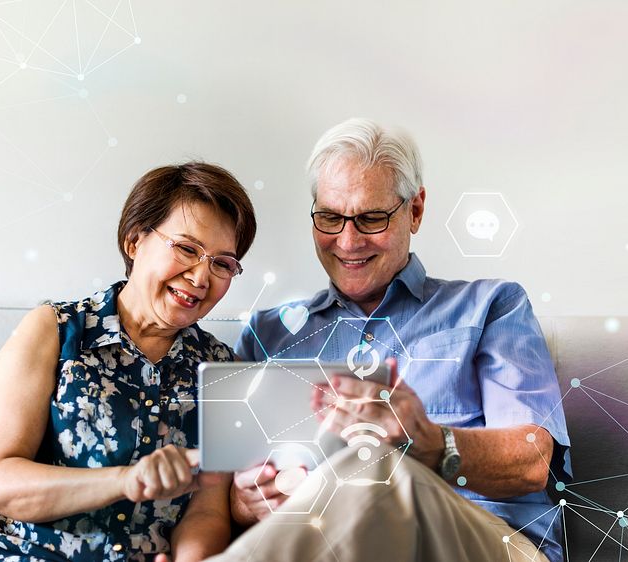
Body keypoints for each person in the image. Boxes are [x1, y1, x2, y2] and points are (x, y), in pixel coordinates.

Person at [221, 119, 570, 562]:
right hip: (323, 545)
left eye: (370, 218)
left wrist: (430, 443)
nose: (347, 242)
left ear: (416, 210)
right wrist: (245, 505)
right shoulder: (265, 337)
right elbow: (230, 491)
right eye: (330, 217)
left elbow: (531, 460)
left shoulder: (490, 307)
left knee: (377, 469)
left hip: (485, 543)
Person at [0, 162, 258, 562]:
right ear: (134, 241)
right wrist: (126, 480)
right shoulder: (53, 330)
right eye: (188, 248)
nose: (201, 277)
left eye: (222, 263)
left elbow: (206, 511)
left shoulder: (222, 368)